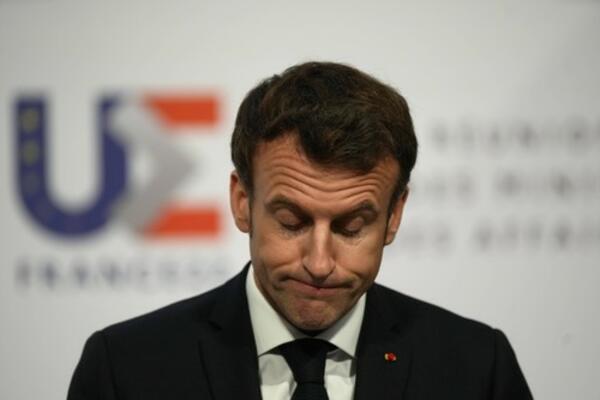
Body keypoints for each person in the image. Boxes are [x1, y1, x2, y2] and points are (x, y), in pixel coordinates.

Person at [68, 62, 533, 400]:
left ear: (395, 215)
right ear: (242, 201)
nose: (319, 263)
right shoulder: (125, 369)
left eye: (352, 227)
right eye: (291, 222)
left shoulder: (477, 369)